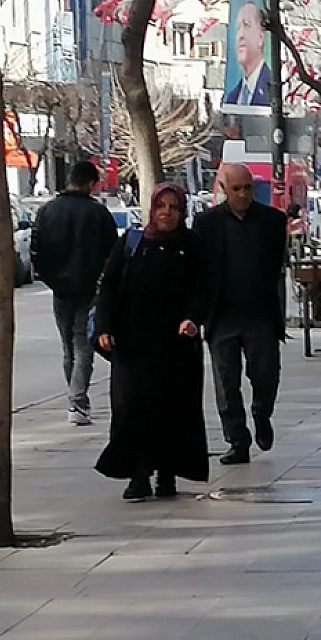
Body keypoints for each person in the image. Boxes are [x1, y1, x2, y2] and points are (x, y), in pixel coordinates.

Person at [92, 184, 213, 501]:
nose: (166, 213)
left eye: (173, 207)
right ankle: (138, 475)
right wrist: (104, 327)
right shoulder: (132, 243)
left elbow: (205, 288)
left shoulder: (192, 246)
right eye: (161, 206)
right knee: (131, 410)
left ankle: (167, 474)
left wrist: (193, 318)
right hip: (133, 345)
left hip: (176, 346)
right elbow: (109, 288)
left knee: (172, 410)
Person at [194, 162, 288, 466]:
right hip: (222, 316)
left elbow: (276, 267)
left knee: (266, 375)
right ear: (224, 189)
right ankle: (237, 440)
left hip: (260, 314)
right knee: (226, 382)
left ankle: (262, 412)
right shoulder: (207, 224)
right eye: (237, 189)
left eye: (248, 188)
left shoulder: (272, 221)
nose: (243, 194)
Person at [33, 160, 121, 426]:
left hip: (60, 290)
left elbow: (37, 251)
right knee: (83, 344)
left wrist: (51, 279)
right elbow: (113, 254)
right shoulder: (98, 213)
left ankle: (76, 398)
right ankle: (78, 400)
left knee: (68, 346)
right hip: (89, 288)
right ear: (91, 184)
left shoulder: (48, 211)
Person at [224, 0, 271, 107]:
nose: (240, 35)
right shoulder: (231, 97)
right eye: (238, 28)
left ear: (261, 37)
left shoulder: (273, 89)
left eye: (246, 25)